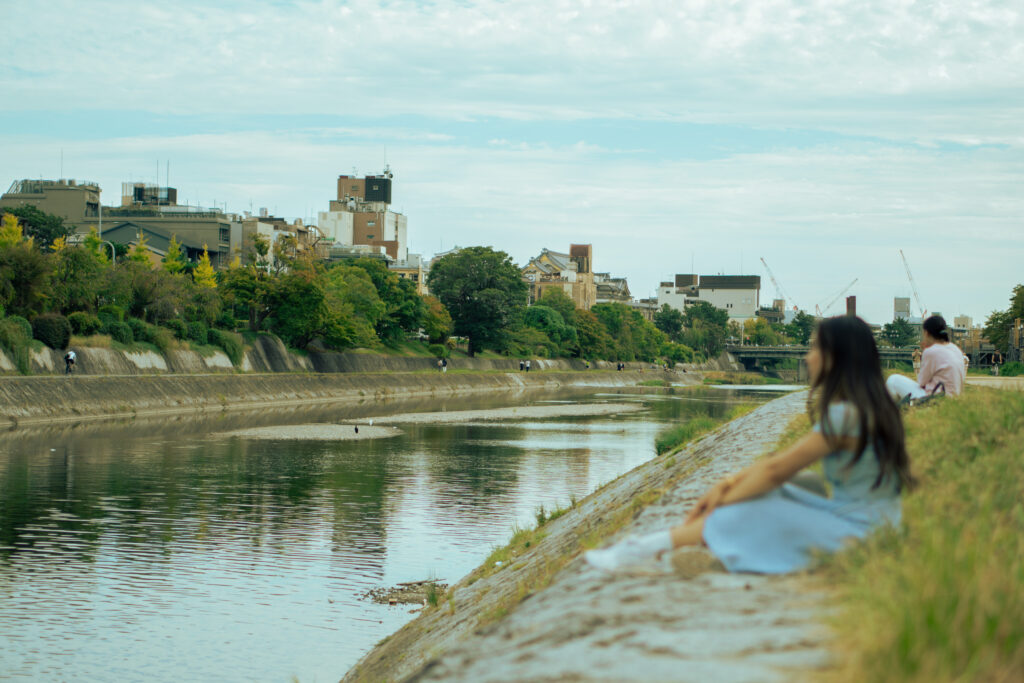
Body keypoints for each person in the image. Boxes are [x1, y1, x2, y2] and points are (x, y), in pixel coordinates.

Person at [586, 315, 913, 574]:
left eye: (814, 348)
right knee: (781, 490)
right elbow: (779, 465)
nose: (807, 357)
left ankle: (642, 549)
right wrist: (728, 483)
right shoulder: (875, 405)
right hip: (876, 525)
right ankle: (688, 544)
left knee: (758, 504)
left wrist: (722, 500)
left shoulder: (845, 416)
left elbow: (775, 470)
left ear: (835, 357)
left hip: (863, 534)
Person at [886, 315, 966, 401]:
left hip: (934, 398)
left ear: (926, 333)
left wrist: (925, 351)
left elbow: (921, 382)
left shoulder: (931, 351)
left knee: (893, 380)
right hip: (954, 399)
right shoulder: (955, 349)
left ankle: (895, 411)